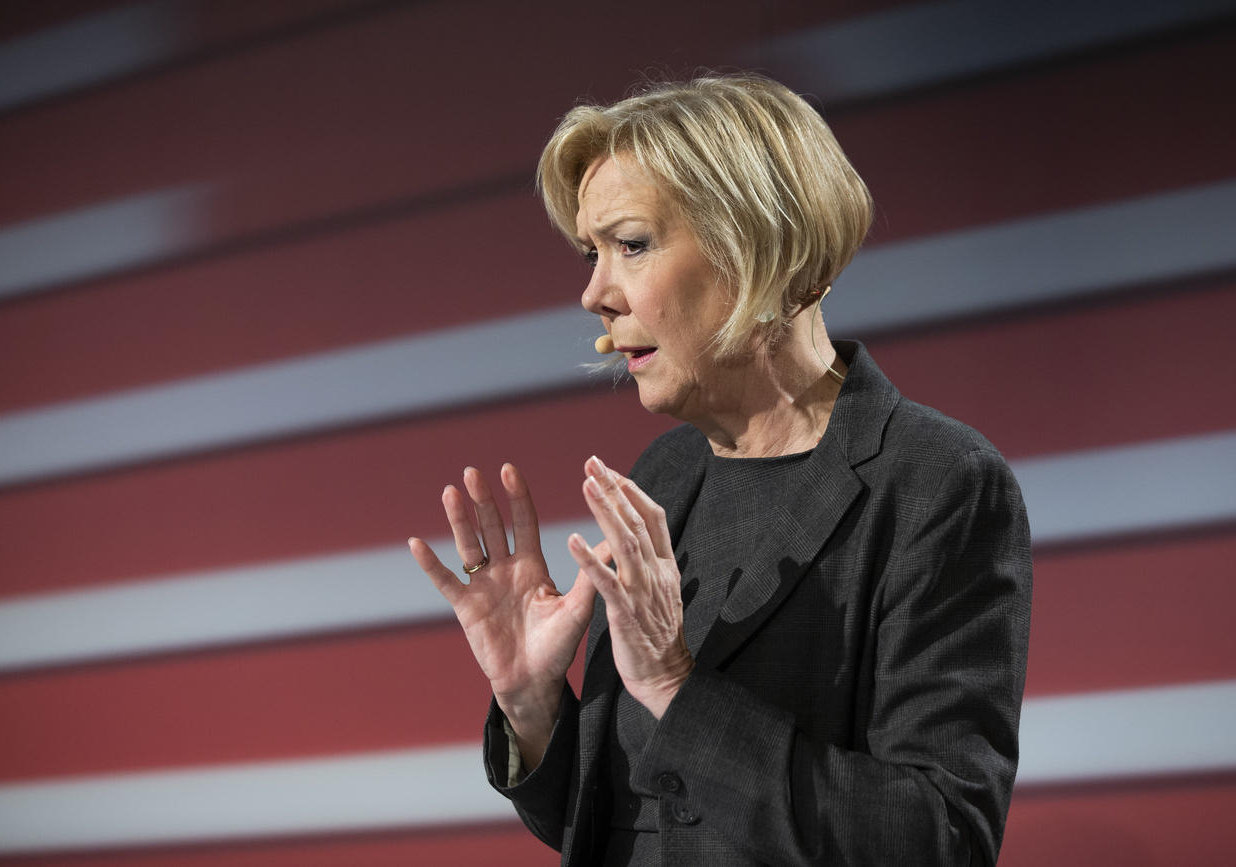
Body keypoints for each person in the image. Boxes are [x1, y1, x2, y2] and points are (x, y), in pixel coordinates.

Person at [409, 74, 1031, 866]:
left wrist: (677, 687)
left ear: (757, 246)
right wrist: (532, 706)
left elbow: (940, 838)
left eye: (631, 244)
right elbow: (633, 820)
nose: (594, 292)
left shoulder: (938, 483)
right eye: (592, 252)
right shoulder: (664, 476)